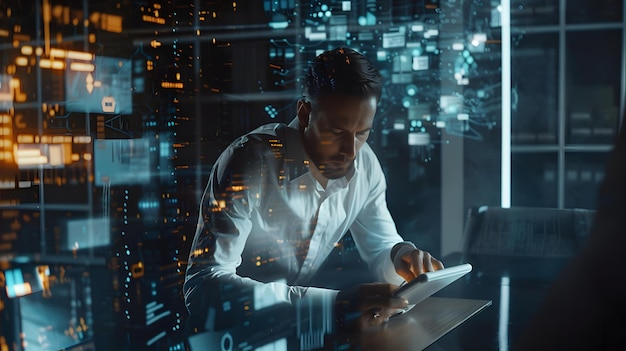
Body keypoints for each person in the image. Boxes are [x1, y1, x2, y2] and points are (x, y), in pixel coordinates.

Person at [183, 47, 443, 333]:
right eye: (337, 132)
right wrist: (333, 305)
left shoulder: (366, 164)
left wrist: (400, 255)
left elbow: (380, 244)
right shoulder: (250, 162)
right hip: (229, 334)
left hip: (295, 332)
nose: (350, 151)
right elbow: (203, 286)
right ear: (305, 113)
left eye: (361, 133)